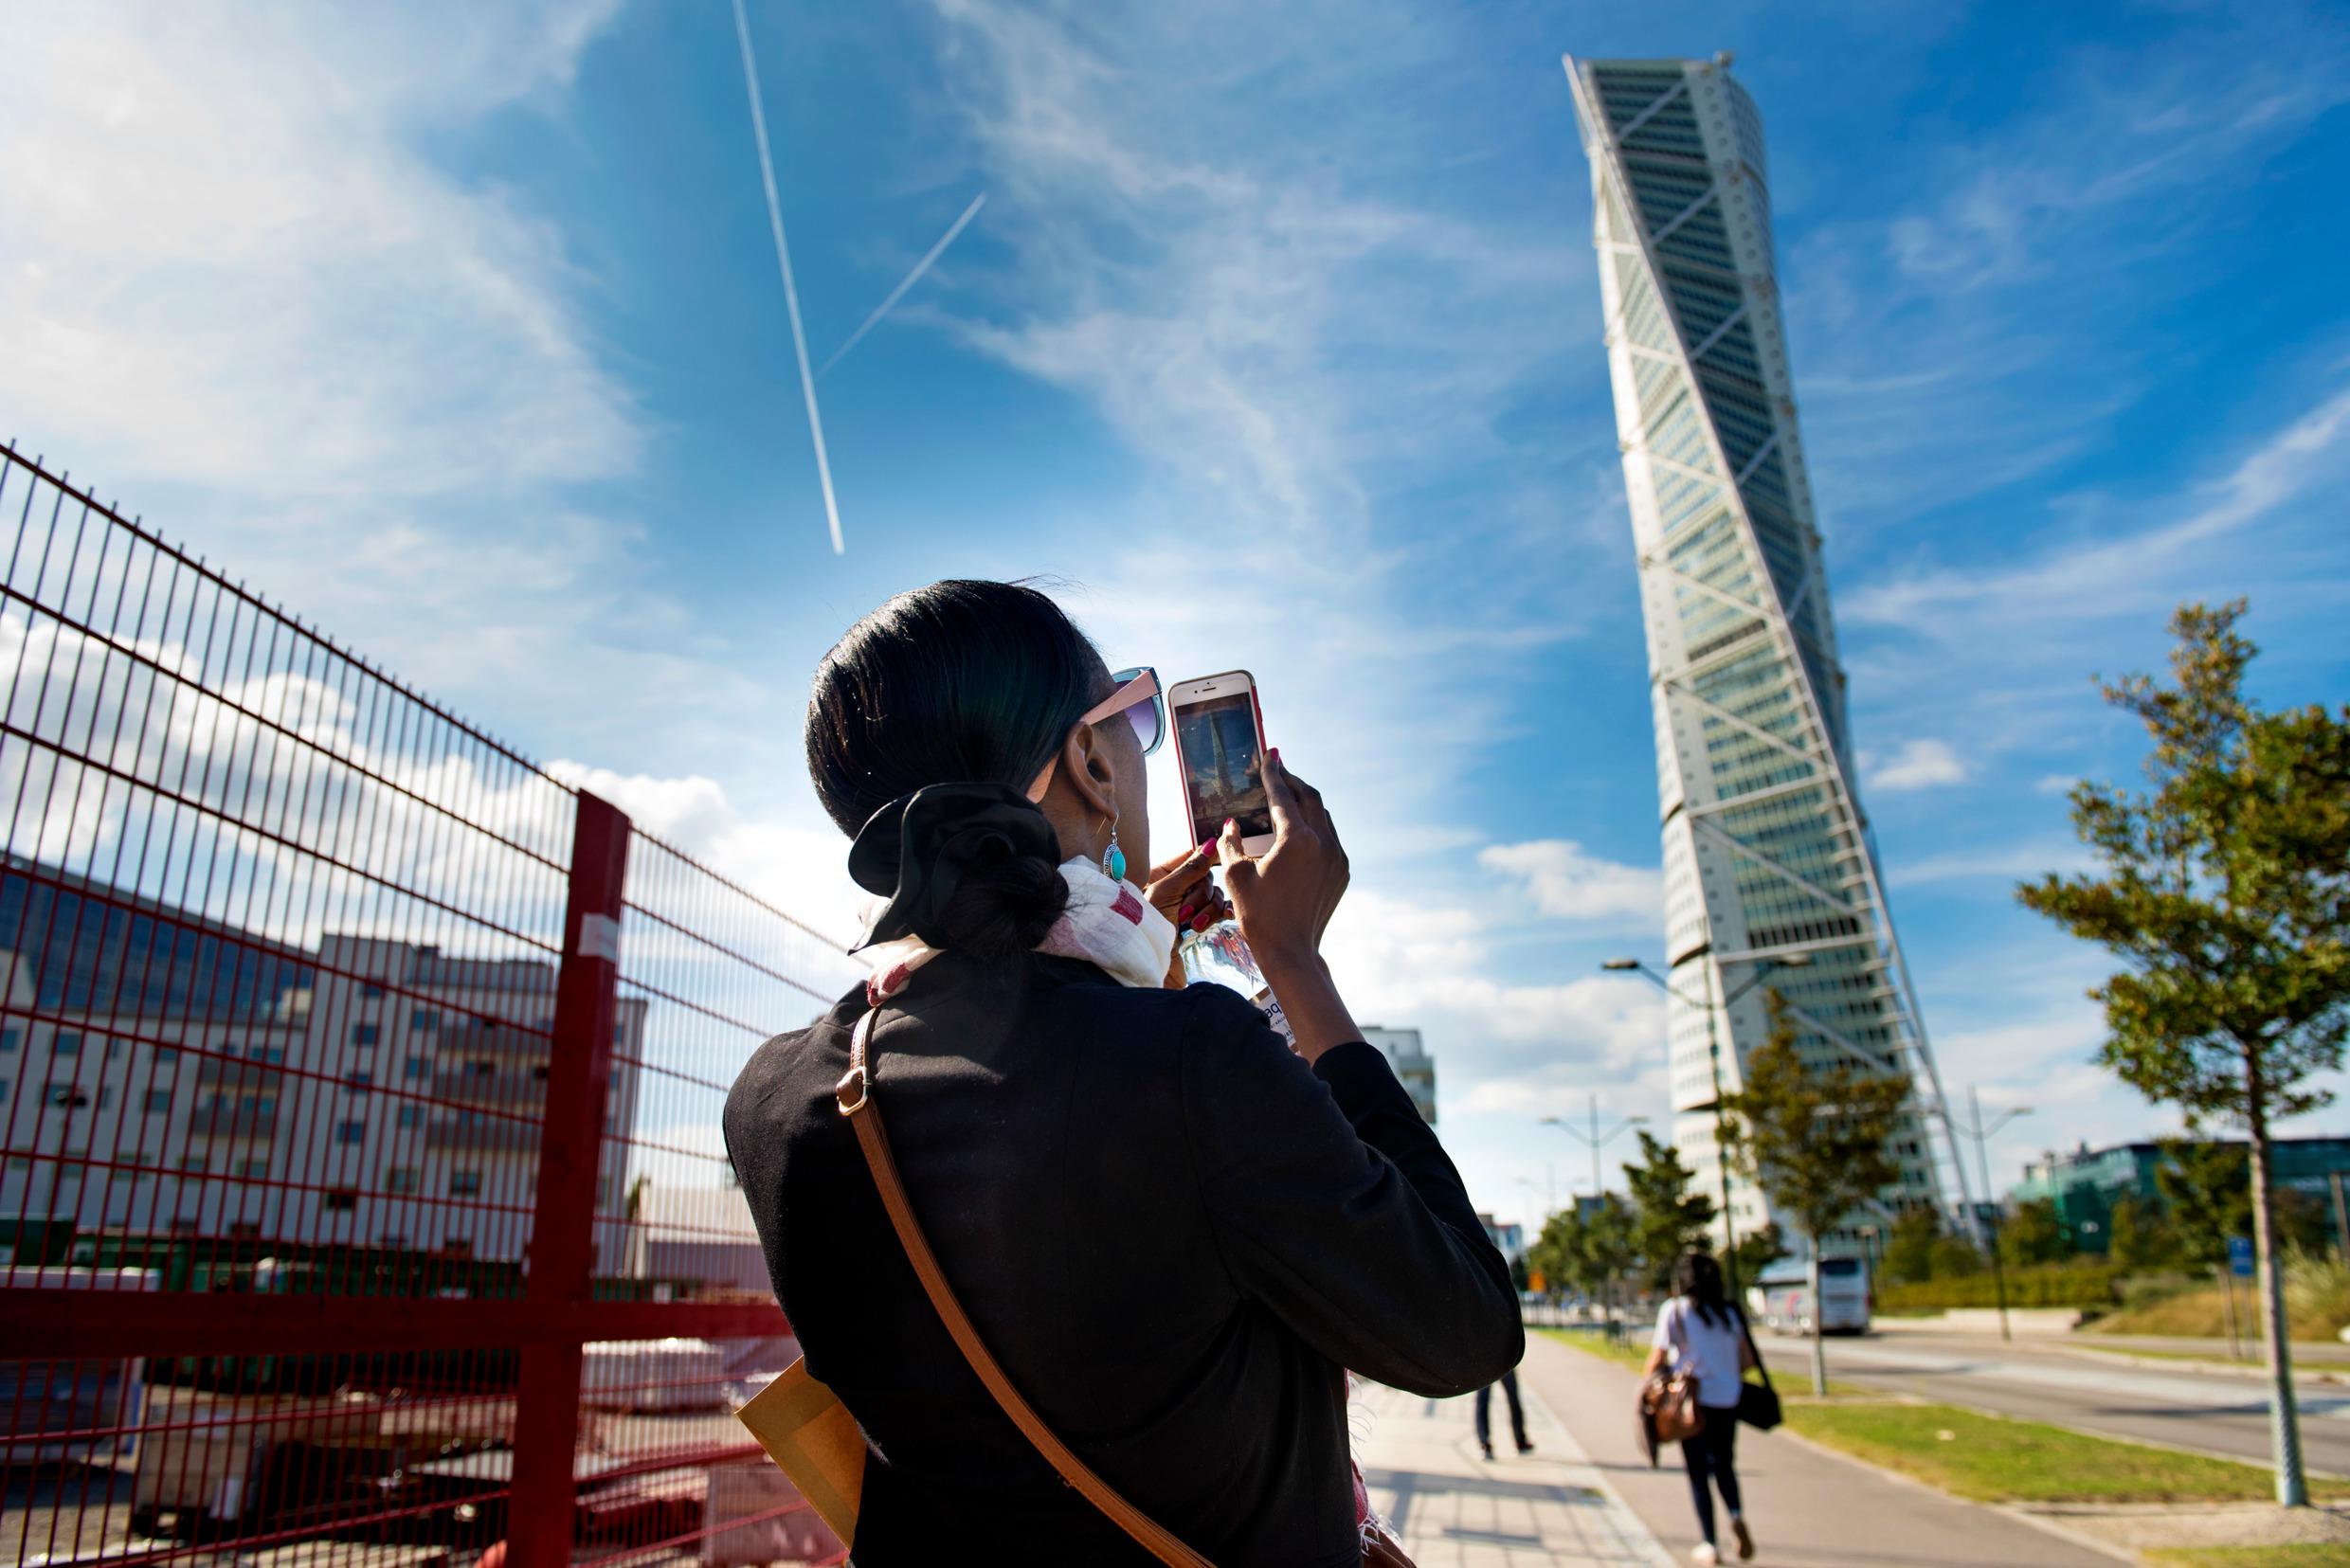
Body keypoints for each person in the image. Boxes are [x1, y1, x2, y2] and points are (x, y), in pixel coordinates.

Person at [725, 581, 1523, 1566]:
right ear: (1090, 761)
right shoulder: (1192, 1056)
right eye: (1132, 719)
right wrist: (1293, 964)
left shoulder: (773, 1100)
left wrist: (1123, 948)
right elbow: (1462, 1326)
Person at [1643, 1252, 1757, 1565]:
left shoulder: (1675, 1311)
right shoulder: (1730, 1312)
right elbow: (1746, 1360)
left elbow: (1657, 1359)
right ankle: (1735, 1515)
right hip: (1727, 1398)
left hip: (1691, 1404)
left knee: (1697, 1473)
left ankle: (1709, 1542)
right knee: (1724, 1464)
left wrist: (1648, 1388)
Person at [1473, 1366, 1532, 1460]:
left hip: (1493, 1360)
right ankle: (1485, 1444)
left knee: (1510, 1396)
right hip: (1495, 1360)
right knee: (1485, 1399)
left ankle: (1520, 1440)